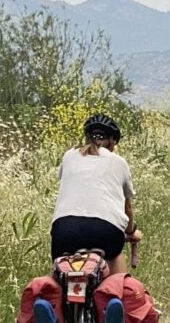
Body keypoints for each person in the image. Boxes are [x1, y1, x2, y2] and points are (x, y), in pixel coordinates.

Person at [52, 113, 139, 275]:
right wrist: (131, 232)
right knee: (116, 260)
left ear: (87, 138)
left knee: (60, 274)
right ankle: (115, 294)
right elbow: (127, 208)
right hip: (105, 231)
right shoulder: (118, 162)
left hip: (64, 230)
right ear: (112, 141)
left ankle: (51, 297)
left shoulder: (69, 156)